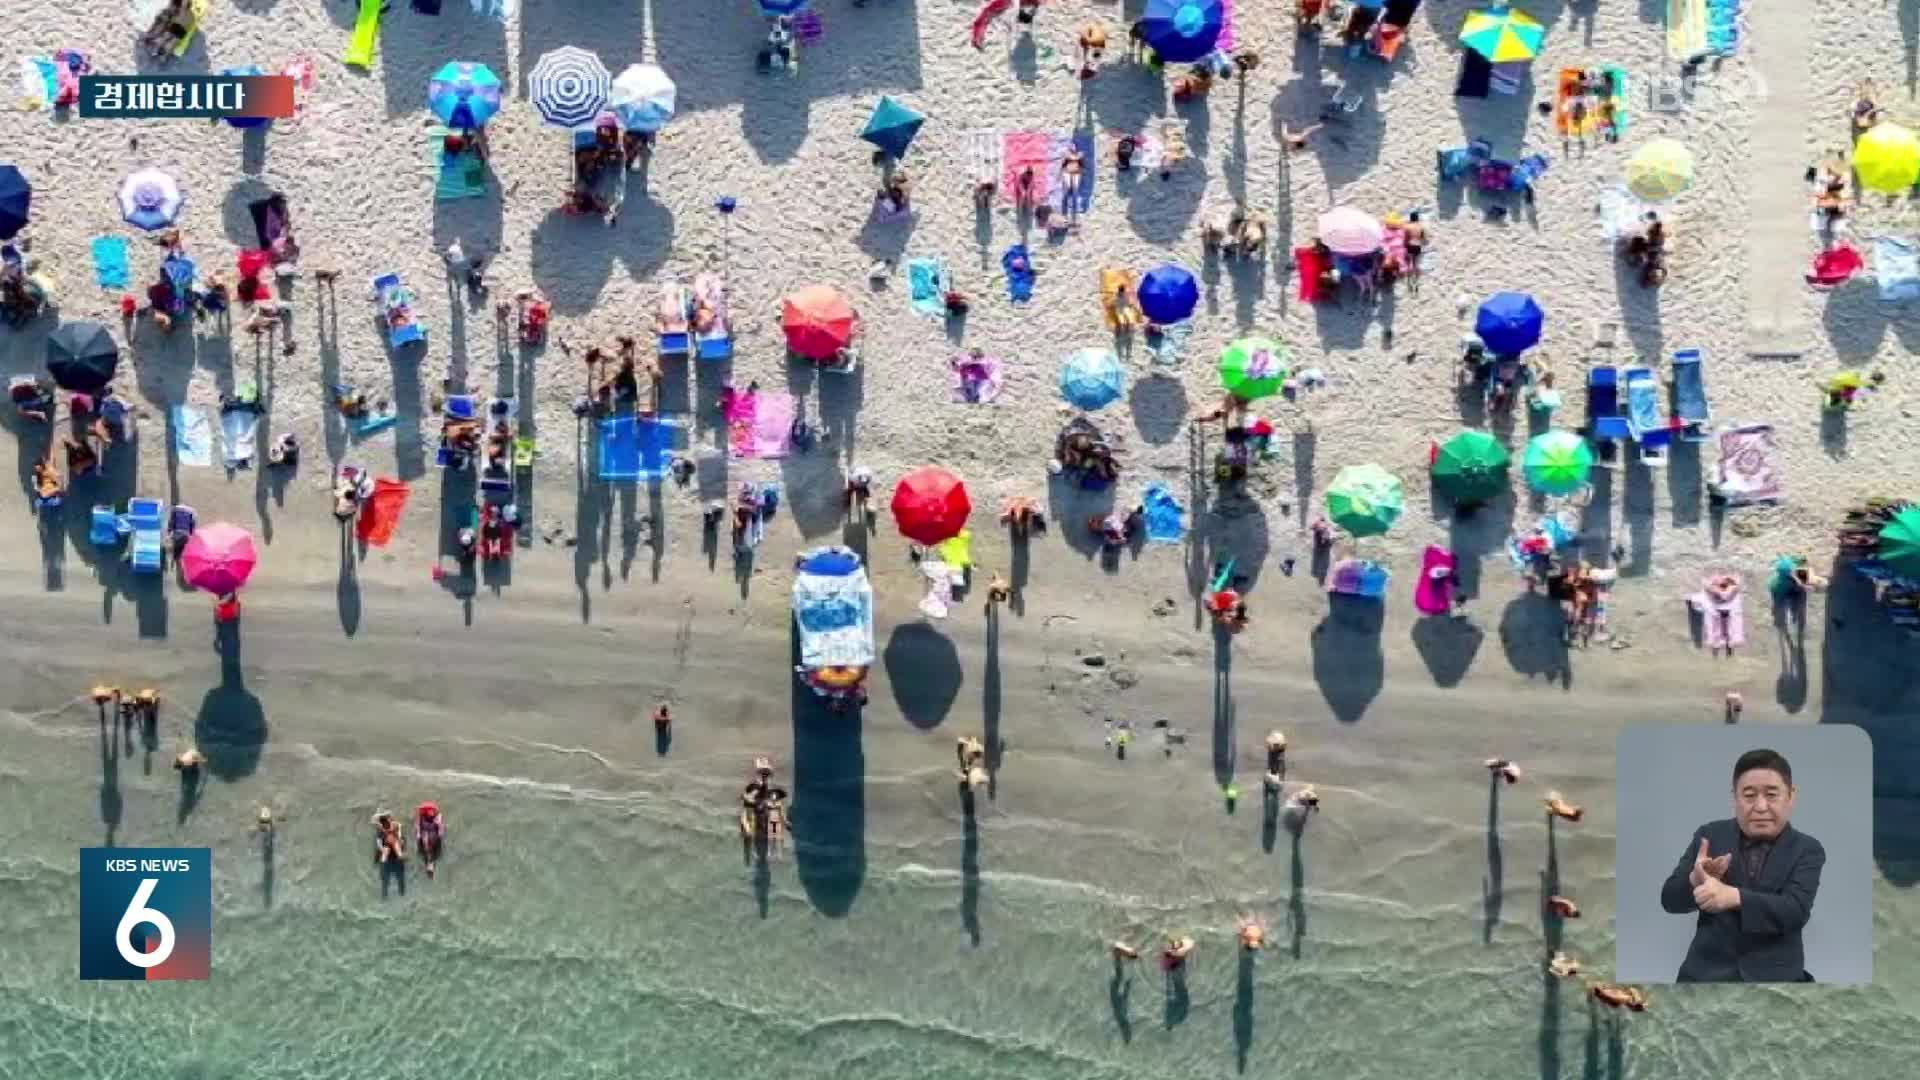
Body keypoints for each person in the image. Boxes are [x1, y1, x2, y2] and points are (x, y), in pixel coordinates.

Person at [1659, 748, 1826, 982]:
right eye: (1749, 795)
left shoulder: (1808, 849)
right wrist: (1694, 881)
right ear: (1734, 797)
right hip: (1705, 977)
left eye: (1771, 794)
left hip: (1778, 982)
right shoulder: (1710, 835)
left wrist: (1733, 897)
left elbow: (1795, 910)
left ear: (1791, 795)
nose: (1760, 807)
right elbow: (1669, 900)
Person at [414, 802, 446, 878]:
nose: (431, 812)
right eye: (429, 811)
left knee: (429, 845)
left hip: (433, 833)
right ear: (426, 811)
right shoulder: (421, 816)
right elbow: (417, 825)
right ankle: (430, 863)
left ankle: (430, 863)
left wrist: (439, 828)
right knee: (426, 842)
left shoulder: (437, 817)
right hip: (425, 833)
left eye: (432, 811)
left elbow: (441, 826)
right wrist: (418, 833)